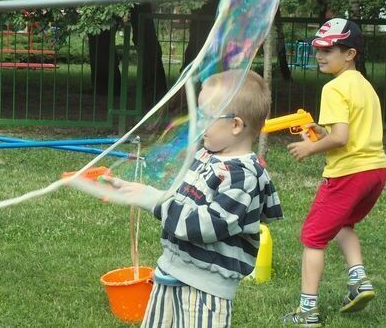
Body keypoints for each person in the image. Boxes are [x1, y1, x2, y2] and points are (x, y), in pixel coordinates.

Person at [107, 70, 283, 327]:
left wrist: (154, 201)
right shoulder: (207, 155)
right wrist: (137, 191)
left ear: (235, 125)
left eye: (206, 116)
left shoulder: (243, 177)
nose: (198, 123)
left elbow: (202, 226)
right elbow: (179, 196)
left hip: (205, 290)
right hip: (171, 271)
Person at [281, 18, 386, 326]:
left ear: (350, 53)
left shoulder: (334, 88)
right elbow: (349, 129)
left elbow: (341, 139)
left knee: (313, 238)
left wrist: (311, 148)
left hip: (348, 174)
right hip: (376, 172)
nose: (320, 56)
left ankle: (307, 310)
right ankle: (359, 281)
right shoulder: (364, 86)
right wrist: (320, 130)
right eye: (318, 49)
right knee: (344, 225)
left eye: (329, 50)